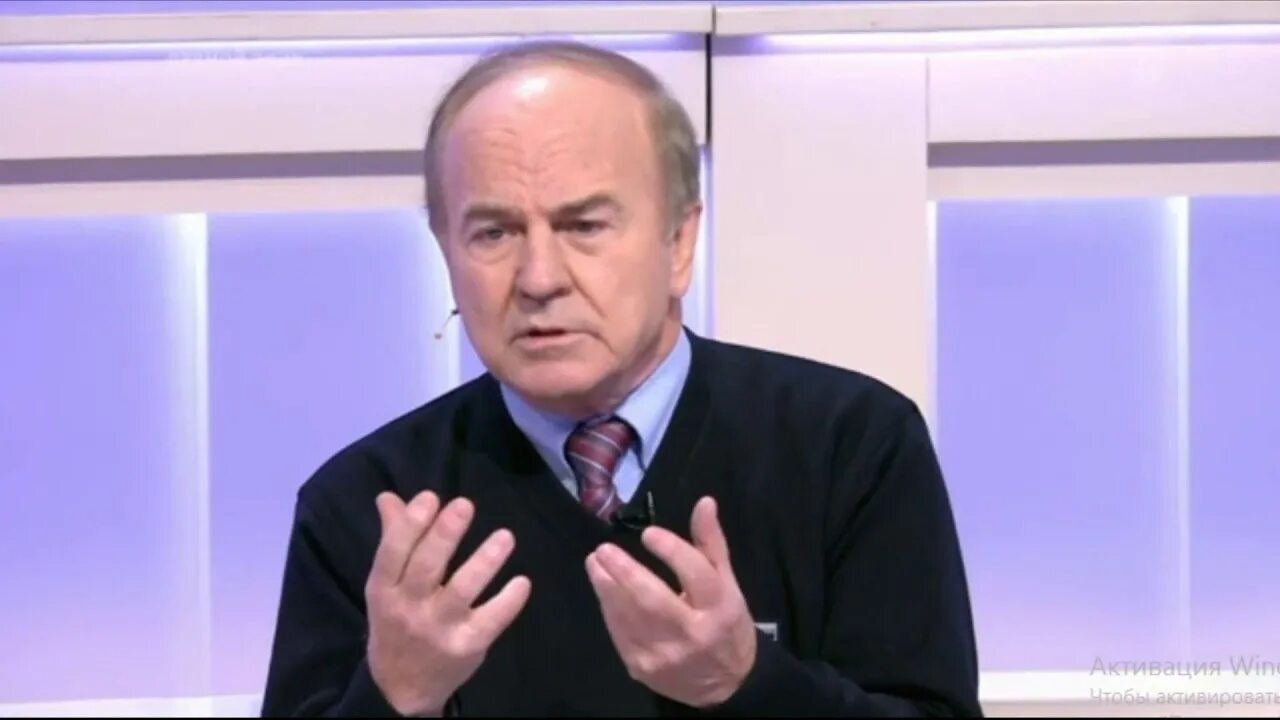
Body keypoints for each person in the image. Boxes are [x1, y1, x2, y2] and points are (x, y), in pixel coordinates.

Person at [260, 39, 981, 718]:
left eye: (584, 226)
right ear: (445, 250)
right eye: (494, 233)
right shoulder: (368, 504)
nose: (539, 279)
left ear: (679, 242)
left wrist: (748, 683)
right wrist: (391, 697)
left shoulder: (848, 447)